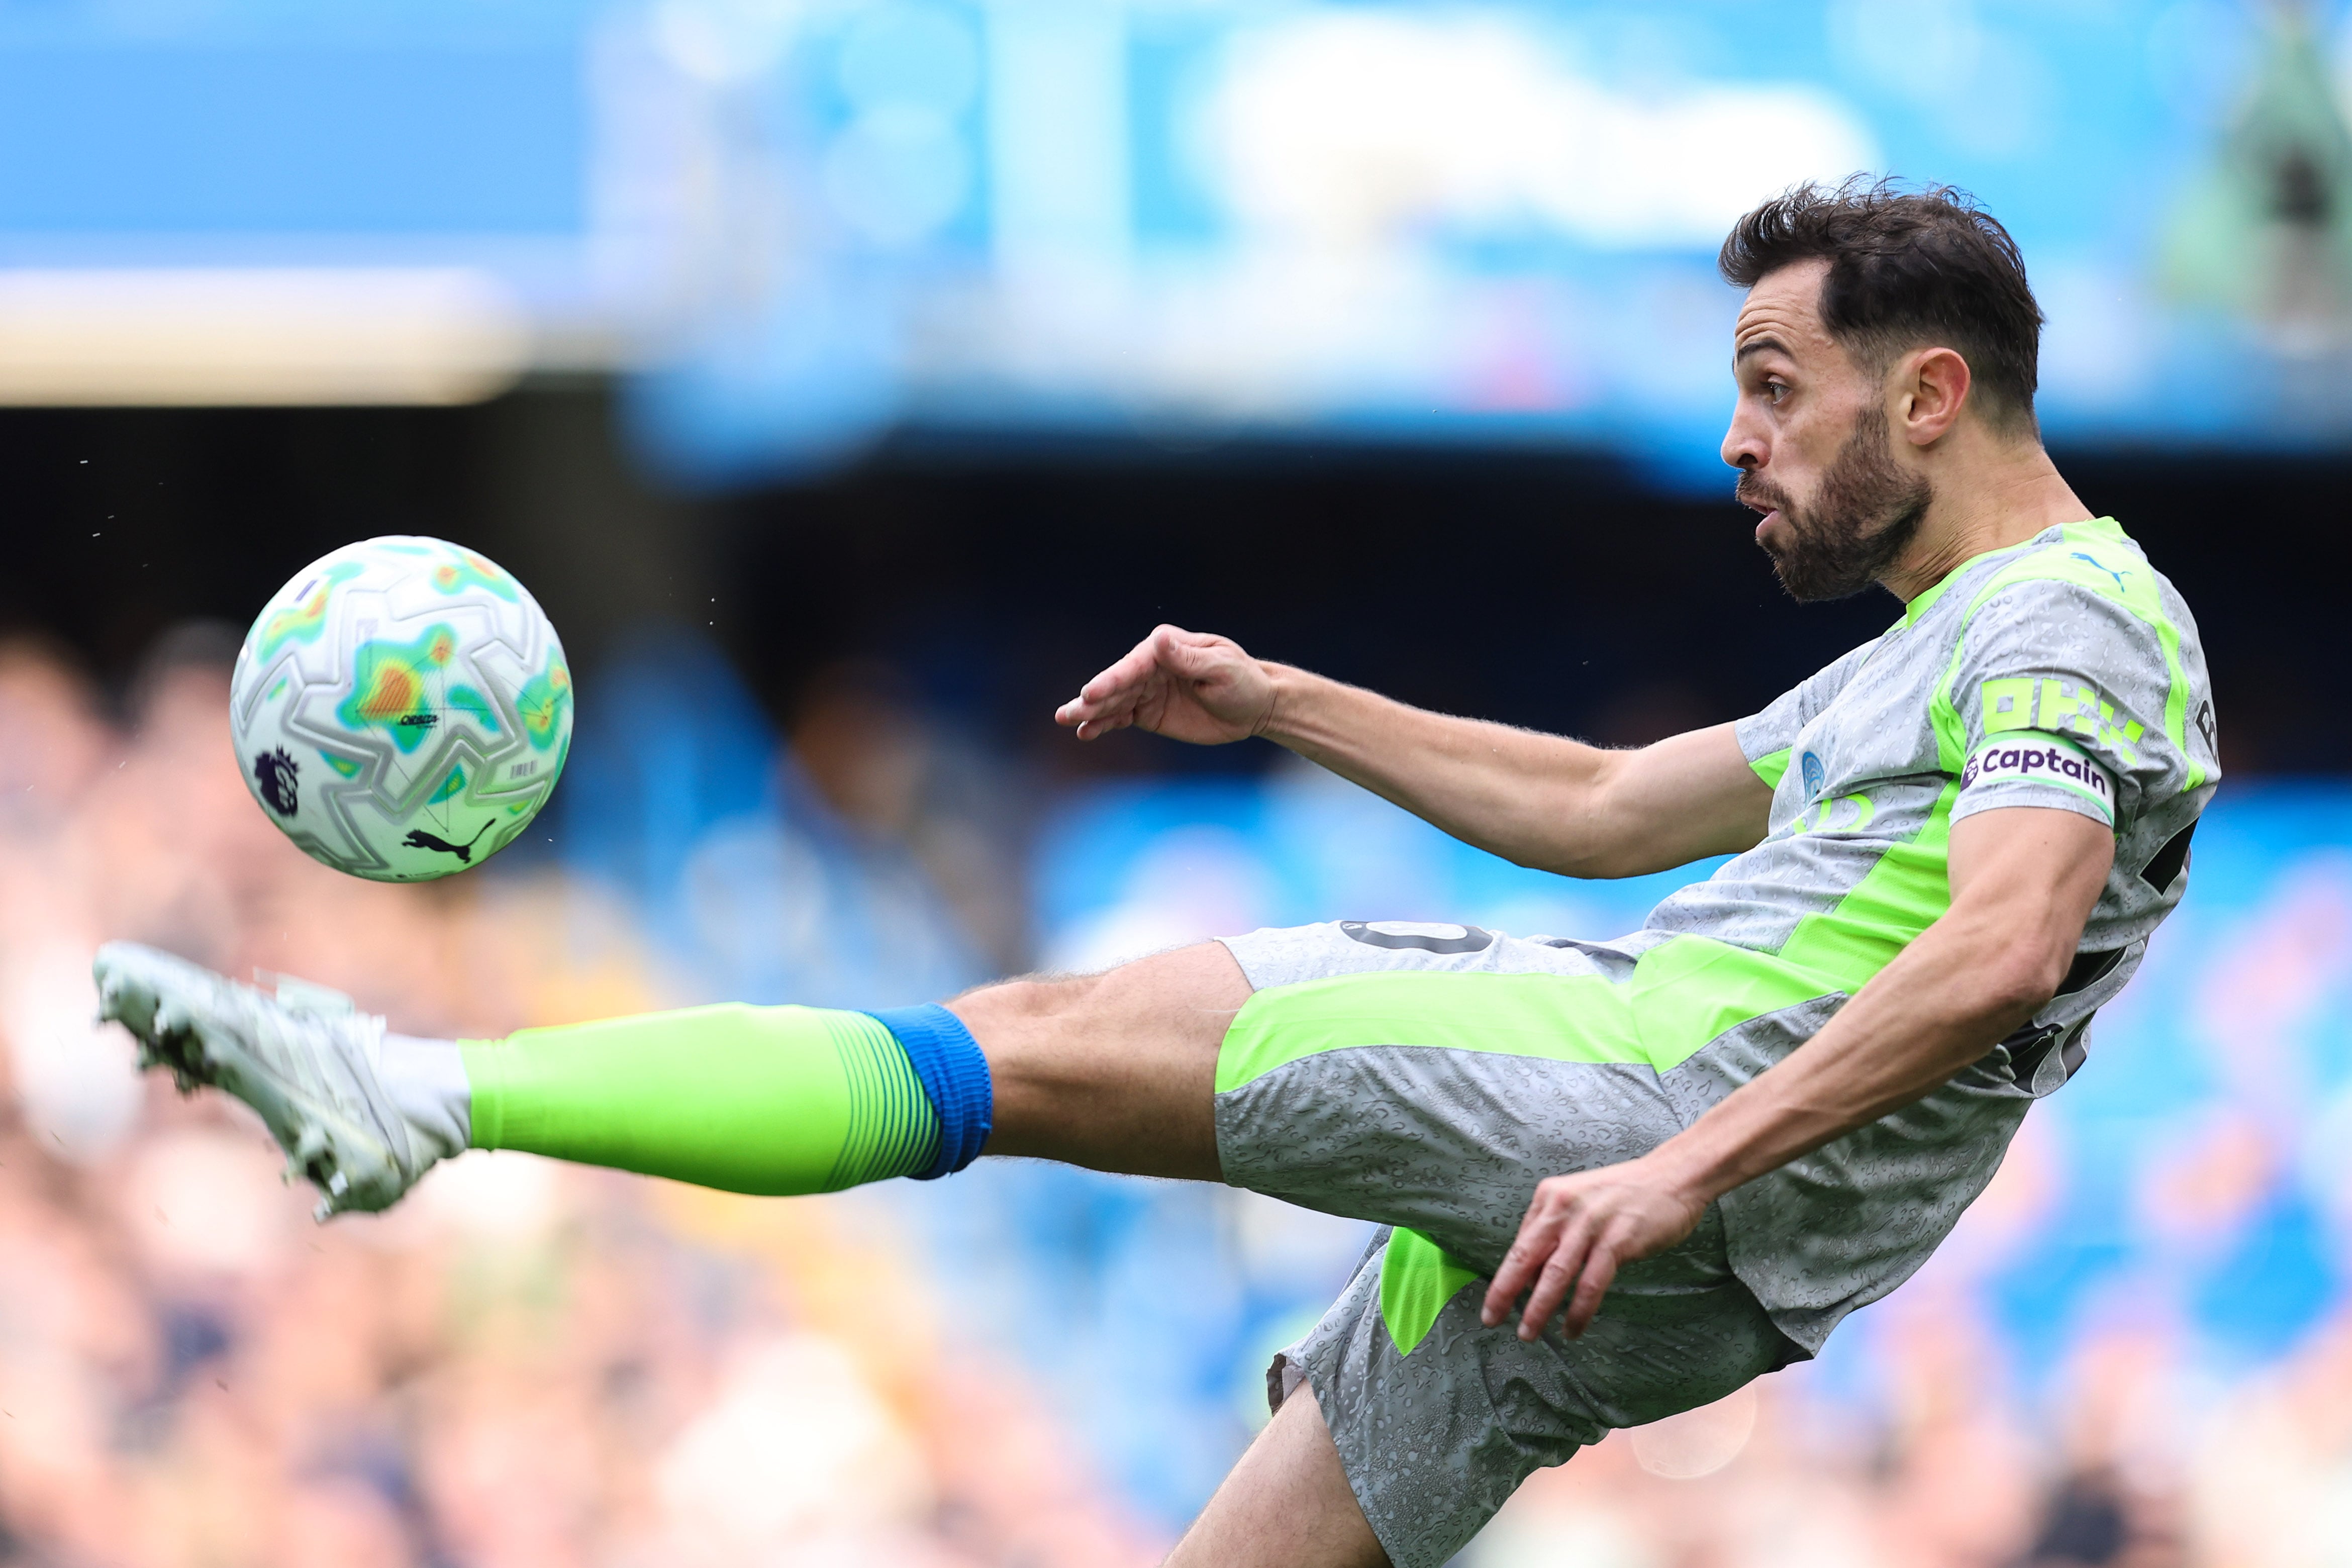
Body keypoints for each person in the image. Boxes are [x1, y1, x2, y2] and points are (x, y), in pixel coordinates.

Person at [94, 179, 2218, 1568]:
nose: (1740, 439)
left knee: (1021, 1048)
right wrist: (1276, 693)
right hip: (1698, 1253)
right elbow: (1600, 802)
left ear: (1928, 392)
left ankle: (430, 1098)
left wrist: (1683, 1160)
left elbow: (2004, 942)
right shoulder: (1944, 655)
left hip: (1655, 1117)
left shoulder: (2069, 628)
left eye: (1776, 387)